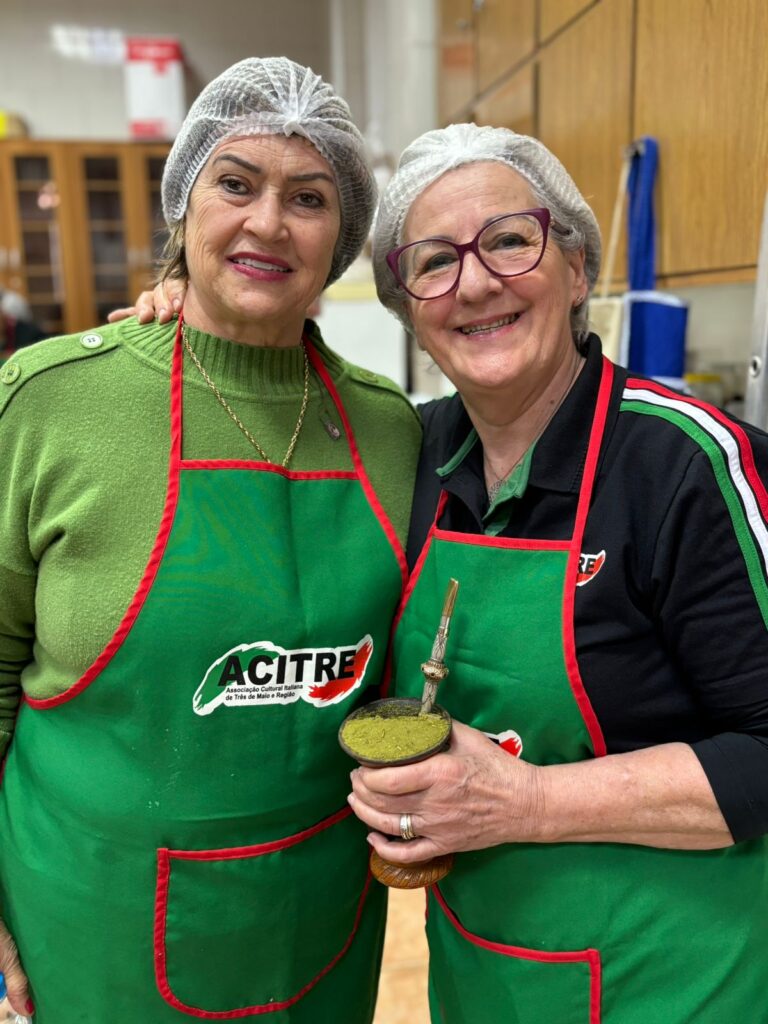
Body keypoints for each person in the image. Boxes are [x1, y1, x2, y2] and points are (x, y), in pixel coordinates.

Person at [0, 57, 420, 1023]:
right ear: (184, 202)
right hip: (87, 918)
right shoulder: (50, 401)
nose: (268, 223)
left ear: (343, 239)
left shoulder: (391, 428)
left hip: (319, 919)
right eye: (236, 183)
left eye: (308, 198)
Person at [342, 123, 768, 1023]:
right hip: (489, 979)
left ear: (577, 269)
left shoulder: (684, 465)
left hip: (678, 985)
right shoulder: (409, 453)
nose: (474, 283)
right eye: (433, 261)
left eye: (509, 240)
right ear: (408, 308)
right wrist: (184, 319)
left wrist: (525, 801)